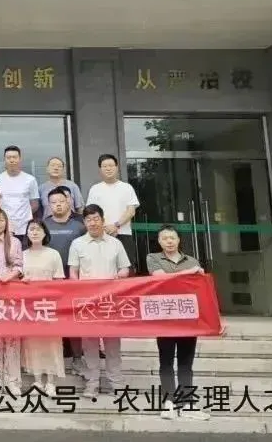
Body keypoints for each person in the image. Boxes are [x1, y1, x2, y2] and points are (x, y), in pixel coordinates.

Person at [147, 225, 210, 421]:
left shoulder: (191, 260)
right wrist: (189, 273)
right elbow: (160, 279)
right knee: (166, 362)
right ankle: (168, 403)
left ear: (178, 240)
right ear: (159, 241)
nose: (169, 241)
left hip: (188, 319)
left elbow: (202, 291)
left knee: (185, 364)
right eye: (165, 238)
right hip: (164, 318)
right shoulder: (153, 258)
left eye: (172, 237)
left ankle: (188, 404)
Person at [68, 204, 131, 398]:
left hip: (110, 302)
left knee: (112, 346)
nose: (93, 223)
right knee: (89, 346)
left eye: (96, 219)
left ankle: (116, 384)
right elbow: (73, 272)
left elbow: (125, 268)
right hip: (87, 303)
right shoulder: (77, 244)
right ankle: (92, 383)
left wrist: (120, 276)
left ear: (103, 220)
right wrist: (78, 289)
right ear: (84, 222)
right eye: (88, 220)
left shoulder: (116, 244)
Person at [41, 186, 88, 373]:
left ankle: (77, 358)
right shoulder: (43, 225)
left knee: (74, 320)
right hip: (49, 281)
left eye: (61, 201)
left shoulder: (79, 226)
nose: (58, 205)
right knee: (51, 320)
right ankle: (52, 359)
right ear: (48, 205)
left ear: (68, 202)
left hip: (73, 280)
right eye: (53, 202)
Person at [21, 219, 66, 396]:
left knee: (51, 343)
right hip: (29, 307)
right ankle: (37, 381)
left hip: (49, 305)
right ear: (27, 233)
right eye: (31, 229)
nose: (34, 232)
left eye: (38, 229)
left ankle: (51, 382)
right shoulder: (22, 255)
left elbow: (59, 281)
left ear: (45, 233)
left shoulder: (53, 254)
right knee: (33, 344)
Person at [0, 208, 23, 396]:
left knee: (12, 339)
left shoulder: (15, 242)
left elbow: (20, 266)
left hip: (11, 294)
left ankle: (12, 381)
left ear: (7, 223)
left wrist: (9, 276)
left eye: (2, 220)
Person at [85, 154, 141, 274]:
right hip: (101, 235)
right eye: (104, 166)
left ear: (116, 167)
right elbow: (91, 213)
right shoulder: (95, 189)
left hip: (123, 234)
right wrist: (103, 228)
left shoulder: (126, 187)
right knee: (103, 269)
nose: (108, 168)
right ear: (100, 169)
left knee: (126, 269)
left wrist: (116, 225)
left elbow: (131, 211)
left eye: (111, 165)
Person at [0, 145, 39, 246]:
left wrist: (23, 217)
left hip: (25, 228)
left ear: (20, 159)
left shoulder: (30, 180)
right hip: (4, 228)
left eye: (14, 157)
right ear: (5, 160)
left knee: (25, 254)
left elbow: (35, 204)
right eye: (9, 157)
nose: (12, 160)